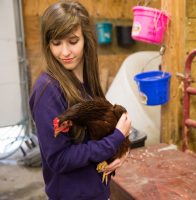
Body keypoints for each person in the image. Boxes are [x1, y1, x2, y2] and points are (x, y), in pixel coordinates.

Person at [29, 1, 131, 199]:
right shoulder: (48, 91)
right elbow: (59, 158)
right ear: (47, 43)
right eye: (56, 43)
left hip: (97, 190)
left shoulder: (87, 80)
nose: (65, 52)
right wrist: (115, 140)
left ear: (86, 39)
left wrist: (119, 151)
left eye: (73, 41)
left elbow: (99, 134)